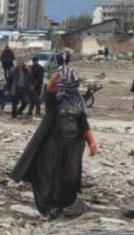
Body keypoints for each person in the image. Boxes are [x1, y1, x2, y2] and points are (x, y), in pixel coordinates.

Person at [11, 64, 98, 219]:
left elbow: (84, 124)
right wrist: (53, 81)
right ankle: (47, 207)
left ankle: (63, 204)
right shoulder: (55, 101)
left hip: (72, 146)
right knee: (48, 175)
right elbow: (50, 92)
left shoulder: (79, 102)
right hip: (51, 144)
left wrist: (91, 142)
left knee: (69, 175)